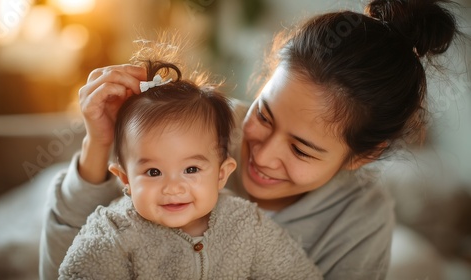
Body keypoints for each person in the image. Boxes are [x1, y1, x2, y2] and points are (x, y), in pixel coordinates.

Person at [40, 0, 460, 279]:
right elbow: (63, 267)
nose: (260, 152)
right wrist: (98, 143)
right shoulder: (195, 131)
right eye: (263, 113)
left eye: (301, 149)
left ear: (362, 156)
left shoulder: (359, 224)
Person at [57, 60, 322, 279]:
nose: (173, 187)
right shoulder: (113, 232)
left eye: (192, 169)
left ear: (221, 174)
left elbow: (296, 273)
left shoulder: (246, 224)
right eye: (153, 172)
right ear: (125, 179)